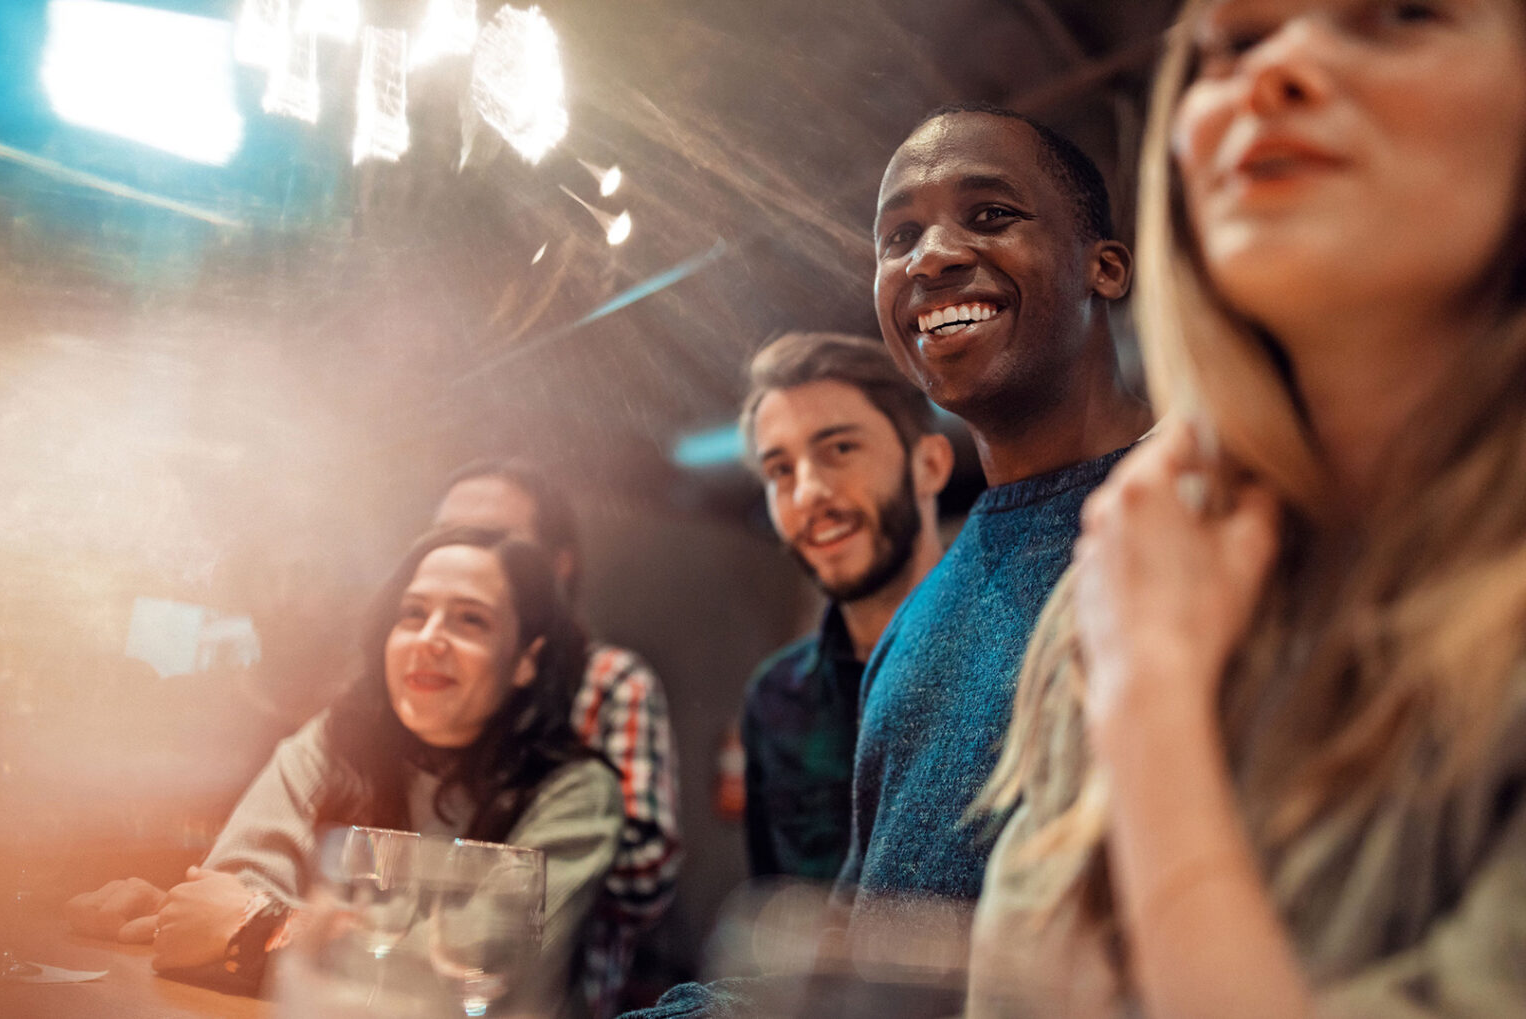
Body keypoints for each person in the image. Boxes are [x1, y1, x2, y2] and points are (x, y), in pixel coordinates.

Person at [970, 2, 1526, 1017]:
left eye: (1399, 15)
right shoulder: (1131, 574)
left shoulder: (1134, 624)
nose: (1280, 70)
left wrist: (1150, 708)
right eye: (1233, 45)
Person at [622, 108, 1151, 1018]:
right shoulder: (926, 613)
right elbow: (868, 951)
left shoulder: (1205, 518)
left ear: (1104, 266)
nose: (931, 257)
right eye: (898, 236)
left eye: (990, 214)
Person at [66, 528, 623, 1016]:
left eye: (470, 620)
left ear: (526, 658)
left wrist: (270, 929)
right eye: (412, 614)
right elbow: (221, 904)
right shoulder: (336, 738)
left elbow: (478, 979)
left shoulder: (574, 790)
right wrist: (258, 929)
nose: (429, 638)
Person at [434, 460, 680, 1016]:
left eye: (497, 539)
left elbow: (646, 881)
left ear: (559, 567)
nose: (467, 555)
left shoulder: (612, 680)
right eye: (446, 536)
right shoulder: (413, 672)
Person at [738, 331, 952, 881]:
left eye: (839, 449)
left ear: (929, 464)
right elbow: (779, 918)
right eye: (780, 470)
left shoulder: (1014, 662)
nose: (807, 493)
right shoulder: (774, 699)